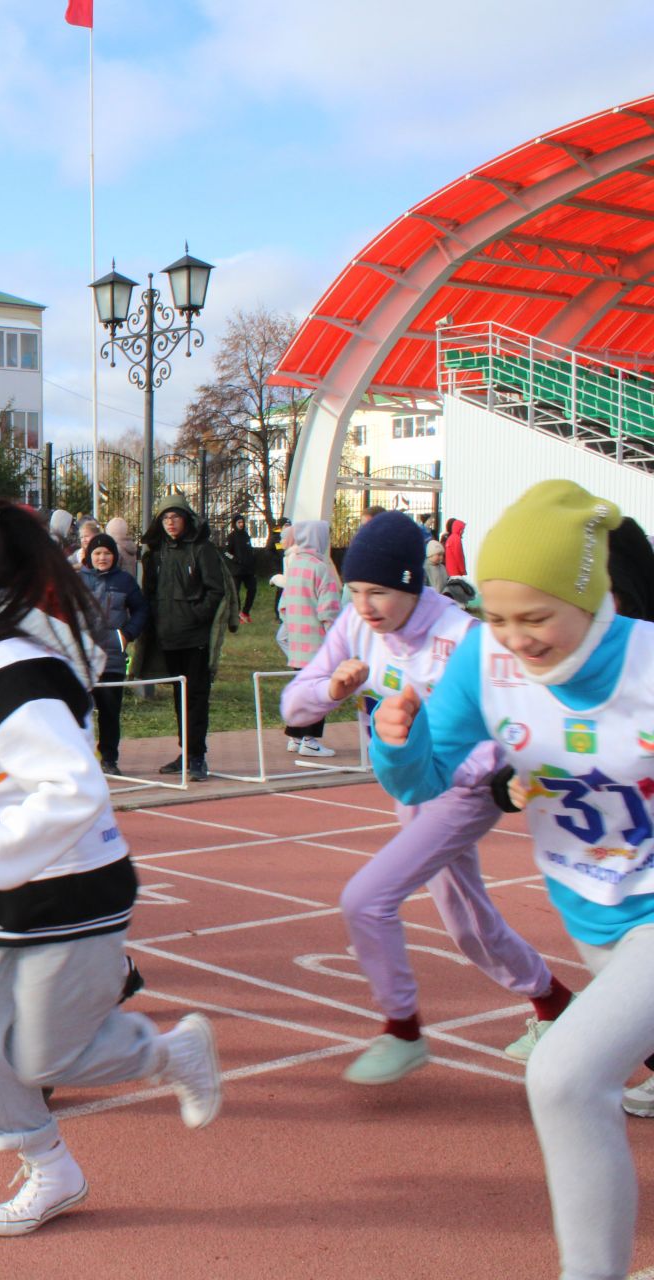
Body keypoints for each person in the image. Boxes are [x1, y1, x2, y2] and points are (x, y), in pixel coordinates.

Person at [0, 496, 221, 1237]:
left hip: (73, 889)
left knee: (42, 1054)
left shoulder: (13, 673)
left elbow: (74, 791)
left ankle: (170, 1052)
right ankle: (51, 1168)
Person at [371, 481, 654, 1280]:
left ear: (594, 599)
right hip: (596, 918)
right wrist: (398, 740)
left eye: (537, 618)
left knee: (563, 1074)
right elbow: (426, 779)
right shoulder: (486, 662)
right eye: (497, 616)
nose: (516, 639)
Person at [283, 512, 571, 1085]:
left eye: (380, 593)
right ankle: (555, 1006)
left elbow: (517, 717)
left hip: (463, 790)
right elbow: (295, 707)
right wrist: (332, 688)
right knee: (467, 923)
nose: (365, 606)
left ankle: (403, 1031)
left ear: (414, 583)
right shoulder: (355, 625)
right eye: (356, 590)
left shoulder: (465, 638)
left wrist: (495, 774)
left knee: (367, 899)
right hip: (410, 786)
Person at [140, 500, 228, 779]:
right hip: (168, 638)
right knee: (180, 697)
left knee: (197, 697)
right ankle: (186, 752)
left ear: (187, 519)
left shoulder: (202, 550)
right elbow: (150, 593)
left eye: (175, 517)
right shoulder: (156, 553)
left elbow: (216, 591)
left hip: (195, 638)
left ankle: (197, 756)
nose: (170, 523)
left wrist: (195, 616)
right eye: (165, 518)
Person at [79, 533, 148, 775]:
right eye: (97, 553)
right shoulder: (78, 580)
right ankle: (83, 758)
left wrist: (127, 634)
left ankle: (109, 758)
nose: (102, 557)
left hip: (112, 658)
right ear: (89, 556)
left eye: (107, 553)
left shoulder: (125, 581)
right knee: (80, 712)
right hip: (82, 658)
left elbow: (141, 610)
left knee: (110, 711)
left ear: (114, 556)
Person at [278, 519, 342, 759]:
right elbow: (329, 610)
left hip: (297, 642)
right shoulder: (320, 568)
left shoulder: (295, 565)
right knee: (318, 693)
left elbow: (283, 606)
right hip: (318, 644)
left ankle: (295, 736)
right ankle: (310, 739)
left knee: (301, 691)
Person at [225, 515, 258, 623]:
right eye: (239, 522)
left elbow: (249, 550)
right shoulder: (231, 536)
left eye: (242, 522)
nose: (241, 524)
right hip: (236, 570)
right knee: (235, 592)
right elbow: (226, 553)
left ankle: (245, 612)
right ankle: (237, 614)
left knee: (252, 589)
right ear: (235, 524)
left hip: (248, 570)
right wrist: (235, 559)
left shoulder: (246, 535)